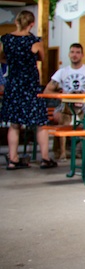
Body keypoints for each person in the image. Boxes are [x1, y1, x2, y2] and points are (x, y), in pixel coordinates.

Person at [0, 10, 56, 170]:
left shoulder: (6, 39)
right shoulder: (34, 41)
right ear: (32, 24)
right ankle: (45, 158)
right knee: (40, 122)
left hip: (13, 83)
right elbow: (42, 58)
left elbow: (2, 57)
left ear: (16, 21)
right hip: (30, 84)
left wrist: (13, 60)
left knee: (14, 124)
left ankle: (13, 159)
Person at [44, 43, 85, 159]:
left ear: (82, 55)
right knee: (57, 116)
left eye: (77, 52)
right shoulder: (62, 72)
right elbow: (47, 91)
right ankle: (62, 149)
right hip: (66, 104)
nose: (75, 55)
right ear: (69, 54)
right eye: (72, 52)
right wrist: (62, 95)